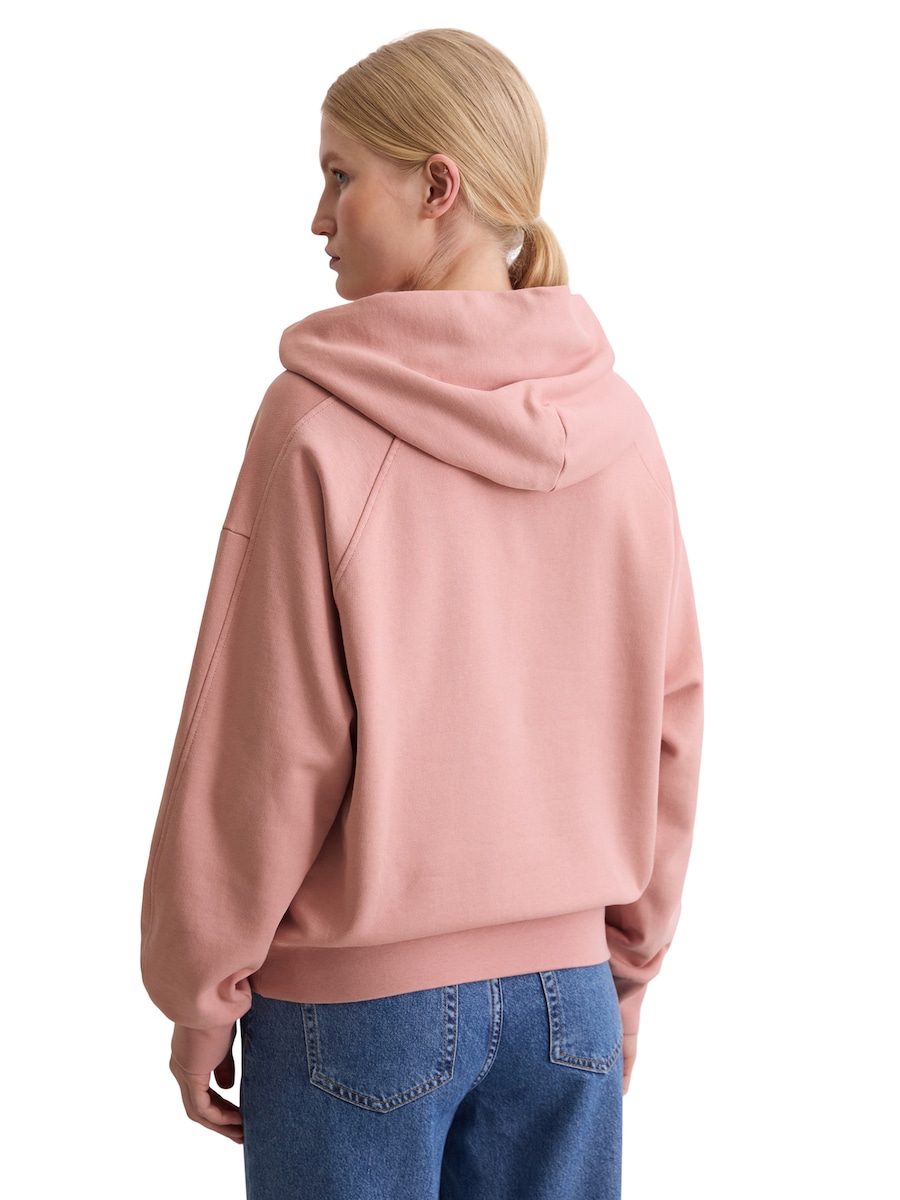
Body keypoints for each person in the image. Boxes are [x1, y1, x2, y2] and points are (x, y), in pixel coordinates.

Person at [141, 27, 703, 1200]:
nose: (318, 216)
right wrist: (622, 967)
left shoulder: (315, 426)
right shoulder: (623, 432)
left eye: (341, 174)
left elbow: (266, 742)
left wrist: (199, 994)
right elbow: (670, 719)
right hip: (566, 1005)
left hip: (357, 1013)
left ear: (438, 186)